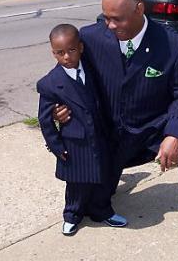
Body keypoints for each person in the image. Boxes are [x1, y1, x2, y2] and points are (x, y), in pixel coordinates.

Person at [54, 0, 178, 243]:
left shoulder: (173, 46)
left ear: (139, 9)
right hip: (108, 138)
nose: (110, 26)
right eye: (106, 18)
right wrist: (58, 110)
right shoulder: (90, 39)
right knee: (92, 205)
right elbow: (66, 78)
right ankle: (105, 182)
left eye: (117, 19)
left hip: (152, 131)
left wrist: (174, 134)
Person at [37, 24, 127, 236]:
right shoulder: (50, 84)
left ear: (81, 47)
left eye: (71, 50)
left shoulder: (92, 71)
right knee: (77, 183)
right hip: (74, 142)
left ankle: (101, 210)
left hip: (100, 136)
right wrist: (57, 146)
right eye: (60, 53)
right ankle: (72, 215)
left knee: (102, 178)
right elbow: (45, 120)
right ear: (53, 53)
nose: (67, 57)